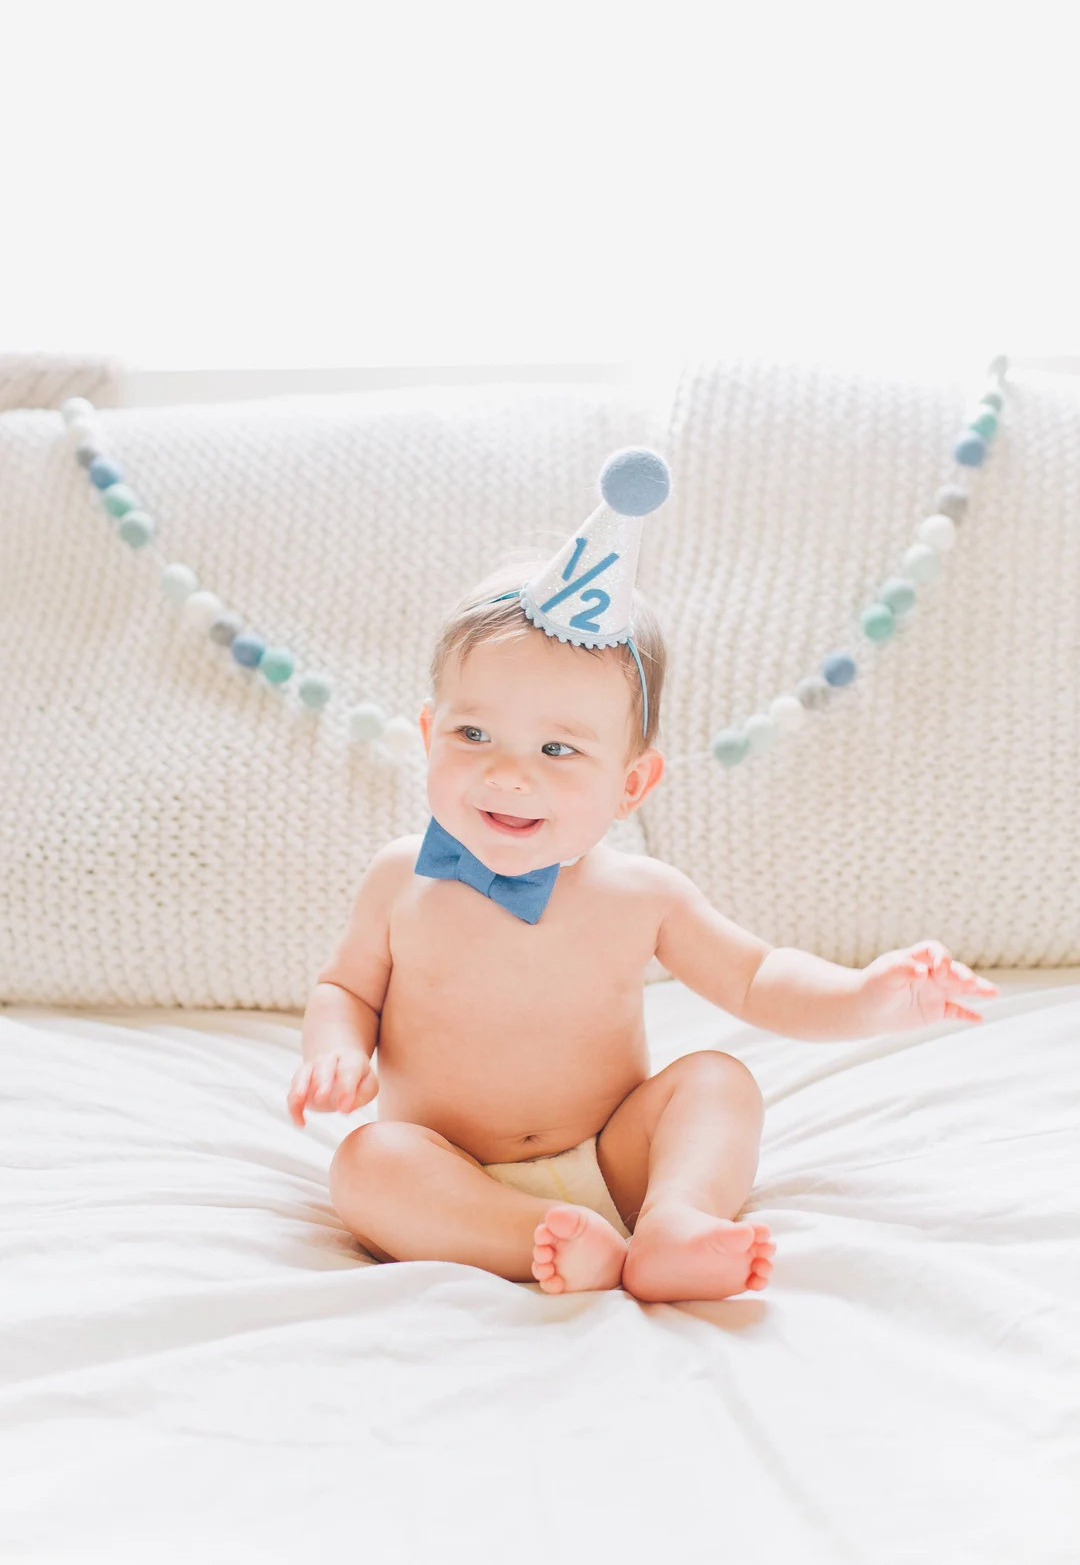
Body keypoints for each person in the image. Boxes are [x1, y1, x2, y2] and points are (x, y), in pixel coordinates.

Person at [286, 449, 998, 1302]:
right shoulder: (402, 877)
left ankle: (674, 1222)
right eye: (474, 736)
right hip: (445, 1164)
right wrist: (333, 1051)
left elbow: (760, 977)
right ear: (431, 731)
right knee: (366, 1165)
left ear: (632, 784)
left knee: (716, 1082)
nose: (509, 775)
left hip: (613, 1154)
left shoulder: (644, 896)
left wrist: (865, 997)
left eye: (558, 749)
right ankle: (532, 1241)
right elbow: (345, 989)